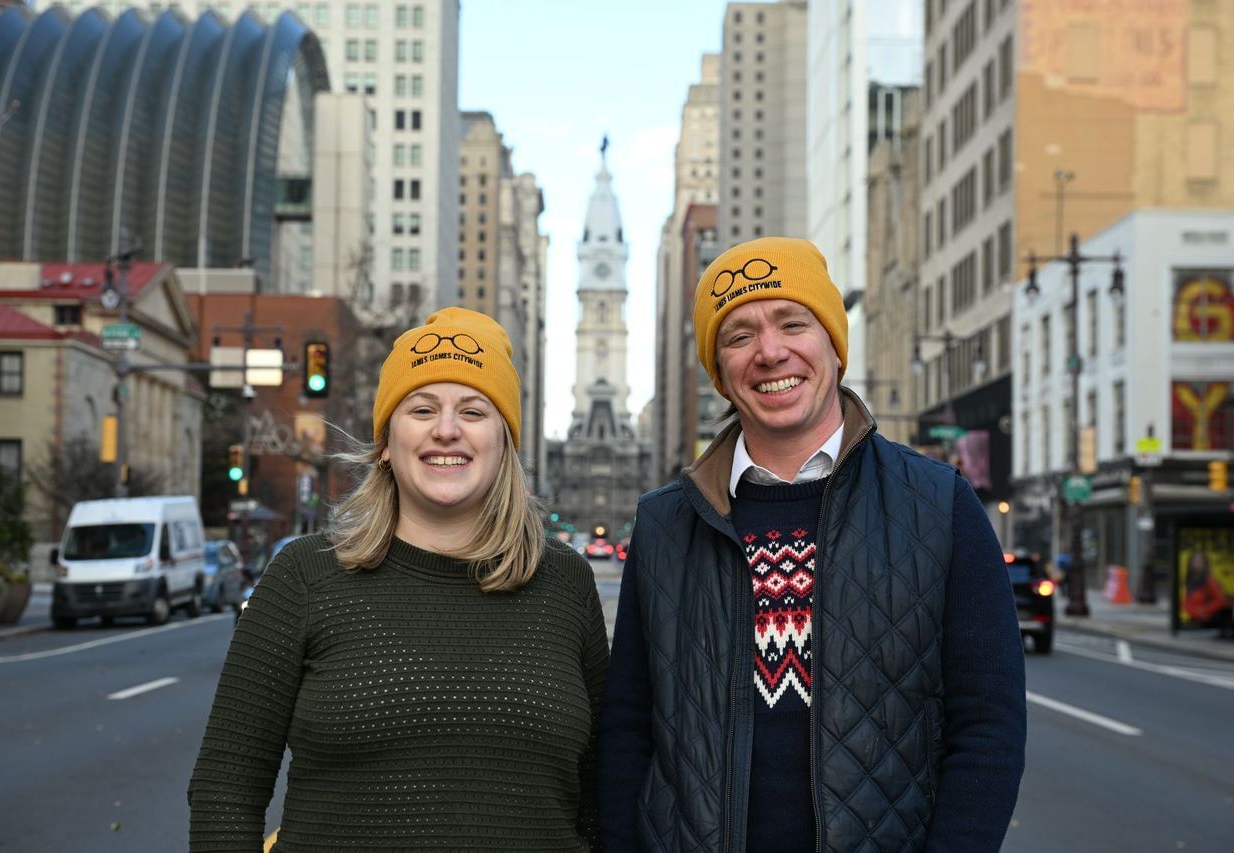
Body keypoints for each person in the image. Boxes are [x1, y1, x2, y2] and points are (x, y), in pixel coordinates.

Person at [598, 237, 1026, 852]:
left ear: (833, 343)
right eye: (739, 336)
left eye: (793, 323)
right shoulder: (666, 523)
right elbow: (628, 734)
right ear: (719, 370)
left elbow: (988, 727)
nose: (771, 352)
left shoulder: (941, 504)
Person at [189, 307, 608, 851]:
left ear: (505, 443)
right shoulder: (304, 576)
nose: (447, 430)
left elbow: (603, 793)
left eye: (475, 411)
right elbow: (226, 789)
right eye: (422, 408)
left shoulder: (564, 583)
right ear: (386, 440)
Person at [1182, 549, 1233, 635]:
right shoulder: (1190, 581)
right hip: (1196, 618)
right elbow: (1186, 602)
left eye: (1199, 561)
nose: (1196, 564)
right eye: (1194, 561)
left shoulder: (1209, 581)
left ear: (1204, 564)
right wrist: (1196, 612)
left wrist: (1205, 610)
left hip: (1210, 617)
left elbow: (1220, 600)